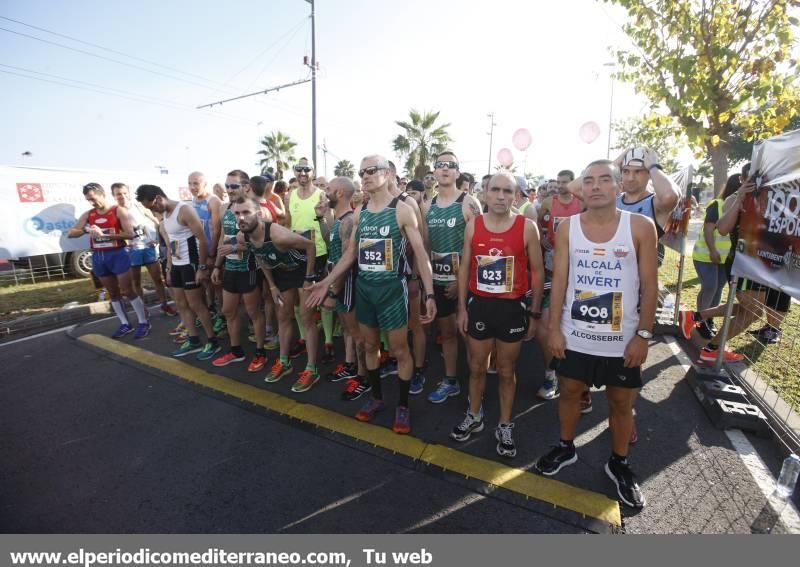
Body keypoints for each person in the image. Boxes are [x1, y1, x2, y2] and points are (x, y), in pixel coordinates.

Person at [534, 160, 657, 510]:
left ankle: (619, 462)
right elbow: (559, 280)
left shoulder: (640, 226)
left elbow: (650, 286)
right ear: (581, 189)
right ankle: (565, 446)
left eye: (606, 180)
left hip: (622, 341)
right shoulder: (567, 228)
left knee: (621, 404)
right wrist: (555, 328)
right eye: (589, 181)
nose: (597, 186)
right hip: (575, 336)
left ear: (619, 186)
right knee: (570, 393)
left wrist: (643, 336)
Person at [307, 154, 437, 434]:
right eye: (362, 171)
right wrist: (327, 281)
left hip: (392, 289)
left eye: (371, 170)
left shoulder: (402, 209)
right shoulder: (360, 213)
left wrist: (429, 294)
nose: (365, 175)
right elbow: (351, 254)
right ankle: (376, 398)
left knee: (400, 349)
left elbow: (422, 254)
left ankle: (402, 405)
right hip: (365, 289)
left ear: (388, 174)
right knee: (369, 347)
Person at [452, 172, 544, 457]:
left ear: (516, 195)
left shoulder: (527, 227)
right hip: (479, 305)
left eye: (508, 191)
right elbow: (465, 267)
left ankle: (505, 423)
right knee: (476, 366)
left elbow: (538, 272)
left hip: (511, 309)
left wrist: (535, 313)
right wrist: (462, 308)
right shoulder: (473, 226)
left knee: (506, 371)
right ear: (485, 194)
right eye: (496, 190)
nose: (501, 196)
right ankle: (475, 414)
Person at [233, 197, 320, 392]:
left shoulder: (278, 234)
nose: (241, 217)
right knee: (283, 317)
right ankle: (283, 361)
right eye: (237, 213)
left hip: (301, 270)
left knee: (307, 319)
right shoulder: (242, 236)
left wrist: (309, 278)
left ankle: (311, 368)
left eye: (246, 212)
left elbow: (310, 246)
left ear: (258, 213)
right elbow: (261, 257)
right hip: (281, 274)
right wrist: (272, 286)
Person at [422, 151, 483, 404]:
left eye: (450, 166)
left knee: (470, 337)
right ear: (434, 172)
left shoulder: (469, 203)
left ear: (458, 172)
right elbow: (425, 247)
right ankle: (450, 381)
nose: (444, 169)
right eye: (440, 165)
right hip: (438, 281)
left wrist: (462, 282)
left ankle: (476, 386)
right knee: (447, 333)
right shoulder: (428, 206)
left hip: (467, 284)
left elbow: (480, 248)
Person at [136, 184, 221, 359]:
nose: (153, 211)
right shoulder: (164, 214)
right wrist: (169, 268)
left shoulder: (184, 210)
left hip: (191, 264)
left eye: (152, 207)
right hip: (176, 265)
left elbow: (203, 240)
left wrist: (202, 267)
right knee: (181, 305)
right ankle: (194, 339)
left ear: (159, 198)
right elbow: (170, 244)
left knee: (196, 304)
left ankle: (213, 341)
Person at [67, 183, 150, 339]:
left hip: (117, 254)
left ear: (102, 194)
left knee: (127, 290)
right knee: (113, 293)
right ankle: (125, 323)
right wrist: (86, 229)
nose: (92, 202)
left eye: (94, 198)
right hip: (99, 256)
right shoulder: (89, 214)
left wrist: (104, 235)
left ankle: (143, 321)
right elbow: (71, 233)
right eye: (88, 200)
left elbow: (130, 234)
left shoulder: (118, 211)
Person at [210, 172, 267, 373]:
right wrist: (217, 265)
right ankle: (236, 351)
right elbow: (223, 238)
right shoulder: (225, 208)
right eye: (227, 185)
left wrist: (235, 248)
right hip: (230, 268)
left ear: (246, 186)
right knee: (228, 311)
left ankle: (261, 352)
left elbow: (261, 243)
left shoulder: (255, 209)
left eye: (233, 186)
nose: (229, 190)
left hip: (249, 268)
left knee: (253, 313)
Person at [534, 169, 583, 399]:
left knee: (575, 325)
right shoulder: (547, 203)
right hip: (551, 271)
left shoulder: (581, 203)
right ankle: (550, 372)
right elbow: (537, 229)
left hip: (577, 273)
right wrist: (542, 239)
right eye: (560, 182)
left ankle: (578, 381)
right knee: (545, 326)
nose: (563, 186)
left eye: (567, 182)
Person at [321, 177, 368, 397]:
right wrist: (321, 218)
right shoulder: (338, 219)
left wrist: (333, 291)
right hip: (339, 282)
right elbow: (333, 247)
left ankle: (363, 376)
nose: (324, 193)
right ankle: (350, 365)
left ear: (339, 193)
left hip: (346, 284)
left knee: (357, 333)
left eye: (328, 190)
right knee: (349, 330)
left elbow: (348, 261)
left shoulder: (349, 221)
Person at [285, 158, 329, 361]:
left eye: (307, 169)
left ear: (313, 171)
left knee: (317, 302)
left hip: (318, 253)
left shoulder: (321, 195)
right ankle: (304, 338)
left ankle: (327, 341)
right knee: (297, 302)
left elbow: (329, 224)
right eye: (299, 169)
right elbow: (288, 223)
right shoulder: (290, 195)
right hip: (295, 253)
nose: (302, 173)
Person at [111, 182, 175, 317]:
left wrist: (156, 239)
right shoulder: (115, 211)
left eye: (124, 193)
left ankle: (164, 305)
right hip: (132, 251)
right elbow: (114, 232)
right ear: (114, 196)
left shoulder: (138, 206)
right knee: (136, 282)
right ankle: (143, 310)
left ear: (128, 193)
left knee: (157, 279)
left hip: (148, 247)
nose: (122, 196)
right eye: (118, 194)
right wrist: (124, 243)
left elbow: (156, 222)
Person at [690, 174, 738, 339]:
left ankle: (709, 318)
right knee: (710, 287)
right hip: (706, 256)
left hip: (723, 259)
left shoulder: (739, 208)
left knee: (718, 288)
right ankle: (700, 320)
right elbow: (709, 229)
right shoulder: (717, 205)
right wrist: (712, 250)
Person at [188, 171, 225, 333]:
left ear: (204, 184)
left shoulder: (213, 201)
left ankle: (223, 315)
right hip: (198, 251)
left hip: (212, 250)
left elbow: (216, 229)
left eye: (196, 183)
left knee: (217, 284)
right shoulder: (193, 201)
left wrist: (212, 254)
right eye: (190, 183)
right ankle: (212, 310)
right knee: (205, 283)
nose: (192, 187)